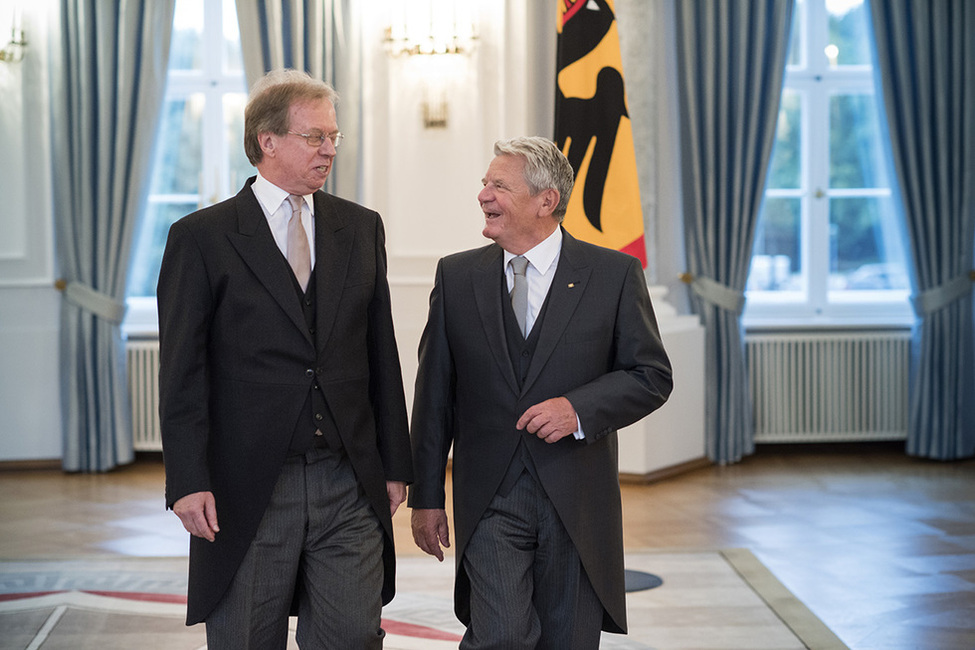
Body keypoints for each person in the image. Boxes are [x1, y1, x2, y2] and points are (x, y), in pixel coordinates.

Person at [157, 69, 413, 649]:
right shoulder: (201, 237)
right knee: (246, 637)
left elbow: (381, 355)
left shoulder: (360, 227)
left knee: (353, 636)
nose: (328, 150)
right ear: (266, 141)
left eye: (333, 138)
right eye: (314, 137)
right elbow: (182, 375)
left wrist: (396, 463)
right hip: (245, 485)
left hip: (348, 478)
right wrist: (187, 479)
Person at [409, 136, 673, 648]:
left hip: (577, 499)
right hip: (489, 497)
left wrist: (578, 408)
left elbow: (650, 375)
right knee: (500, 636)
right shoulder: (457, 275)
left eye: (498, 185)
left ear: (545, 200)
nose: (483, 194)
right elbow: (434, 393)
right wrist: (426, 495)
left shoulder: (614, 274)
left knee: (568, 639)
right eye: (485, 183)